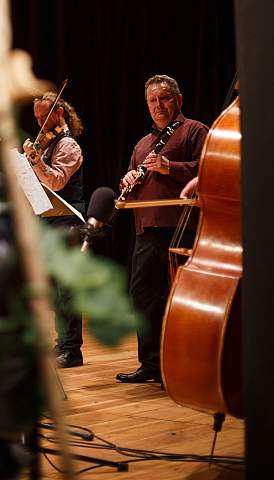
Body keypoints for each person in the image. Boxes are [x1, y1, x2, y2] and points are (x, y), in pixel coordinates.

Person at [115, 74, 208, 384]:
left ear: (178, 100)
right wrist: (128, 179)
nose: (158, 105)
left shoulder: (194, 130)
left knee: (178, 300)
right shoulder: (143, 144)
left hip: (180, 227)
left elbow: (209, 169)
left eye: (164, 98)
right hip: (146, 227)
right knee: (142, 296)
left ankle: (185, 365)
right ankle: (151, 365)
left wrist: (171, 167)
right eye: (152, 100)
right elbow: (133, 176)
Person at [23, 92, 85, 368]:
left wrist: (35, 162)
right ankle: (61, 344)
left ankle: (72, 350)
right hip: (49, 221)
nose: (40, 123)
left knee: (67, 288)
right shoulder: (47, 143)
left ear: (58, 113)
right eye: (36, 118)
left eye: (44, 116)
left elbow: (58, 182)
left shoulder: (68, 145)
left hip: (68, 221)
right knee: (53, 287)